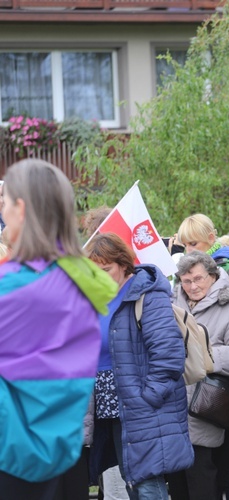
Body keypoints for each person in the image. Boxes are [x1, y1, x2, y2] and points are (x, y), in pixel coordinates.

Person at [0, 159, 117, 498]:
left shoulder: (13, 286)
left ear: (20, 209)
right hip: (58, 444)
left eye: (4, 202)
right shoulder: (83, 282)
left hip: (10, 449)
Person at [86, 233, 194, 499]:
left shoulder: (147, 295)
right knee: (130, 480)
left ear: (123, 264)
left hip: (140, 407)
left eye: (106, 269)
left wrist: (147, 398)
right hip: (106, 407)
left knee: (145, 483)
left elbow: (168, 355)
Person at [169, 251, 229, 500]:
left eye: (198, 279)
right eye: (186, 281)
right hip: (172, 404)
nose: (193, 286)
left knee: (203, 478)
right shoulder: (171, 304)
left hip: (204, 405)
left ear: (213, 275)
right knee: (176, 483)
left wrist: (202, 357)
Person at [177, 214, 229, 280]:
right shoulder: (190, 267)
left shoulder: (224, 267)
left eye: (193, 244)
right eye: (185, 245)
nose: (188, 251)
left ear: (210, 238)